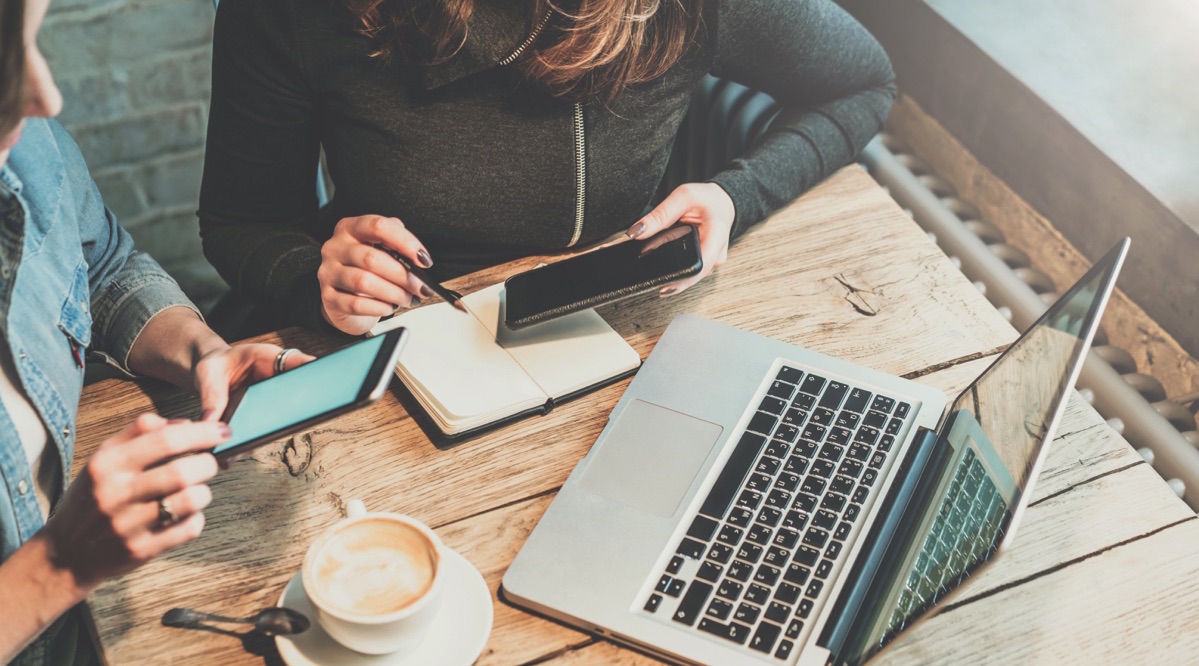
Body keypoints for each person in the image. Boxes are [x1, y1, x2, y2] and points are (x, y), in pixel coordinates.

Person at [199, 0, 896, 336]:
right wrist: (311, 273)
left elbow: (862, 84)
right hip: (385, 341)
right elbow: (242, 220)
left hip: (618, 326)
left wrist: (736, 195)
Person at [0, 1, 314, 662]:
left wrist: (203, 350)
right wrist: (53, 568)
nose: (45, 96)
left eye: (31, 41)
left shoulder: (23, 144)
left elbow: (105, 265)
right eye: (3, 60)